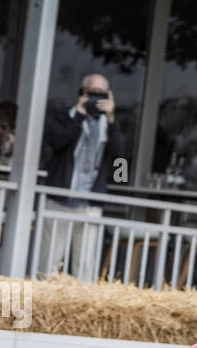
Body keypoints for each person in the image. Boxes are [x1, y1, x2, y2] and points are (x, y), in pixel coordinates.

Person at [43, 73, 126, 281]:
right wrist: (79, 114)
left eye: (101, 94)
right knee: (49, 260)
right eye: (91, 92)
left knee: (85, 264)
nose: (96, 98)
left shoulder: (110, 124)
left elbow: (120, 161)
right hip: (60, 198)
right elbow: (56, 142)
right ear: (82, 92)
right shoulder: (66, 115)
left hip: (90, 201)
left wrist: (112, 119)